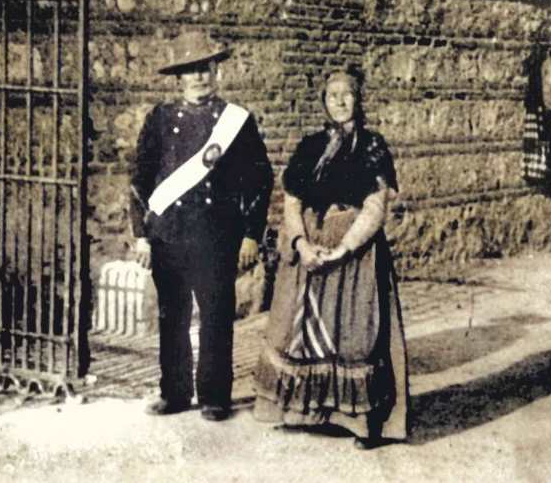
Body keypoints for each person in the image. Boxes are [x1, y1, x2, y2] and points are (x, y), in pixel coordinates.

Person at [253, 68, 409, 448]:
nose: (339, 101)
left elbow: (375, 207)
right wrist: (301, 245)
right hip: (311, 249)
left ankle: (361, 422)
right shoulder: (309, 146)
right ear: (323, 102)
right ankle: (308, 412)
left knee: (355, 336)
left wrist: (345, 248)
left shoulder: (372, 147)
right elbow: (292, 202)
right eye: (332, 95)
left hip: (356, 257)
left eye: (347, 94)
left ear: (359, 99)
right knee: (300, 332)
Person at [130, 30, 273, 422]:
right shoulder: (160, 119)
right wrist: (141, 235)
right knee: (171, 316)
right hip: (169, 233)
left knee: (216, 317)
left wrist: (251, 234)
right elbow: (140, 179)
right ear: (179, 77)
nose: (199, 77)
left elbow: (259, 180)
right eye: (191, 70)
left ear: (216, 71)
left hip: (216, 235)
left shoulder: (236, 121)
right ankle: (174, 393)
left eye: (205, 68)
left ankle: (214, 396)